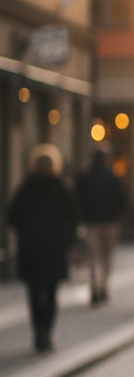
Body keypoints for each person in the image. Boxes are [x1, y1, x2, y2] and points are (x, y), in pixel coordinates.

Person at [8, 144, 79, 352]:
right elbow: (74, 217)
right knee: (51, 291)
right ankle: (47, 332)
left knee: (34, 291)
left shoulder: (26, 188)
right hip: (54, 247)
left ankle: (38, 332)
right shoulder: (61, 187)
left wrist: (25, 231)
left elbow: (12, 216)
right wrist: (68, 239)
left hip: (30, 246)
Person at [75, 146, 128, 305]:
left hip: (90, 222)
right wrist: (120, 215)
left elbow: (77, 199)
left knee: (93, 256)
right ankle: (104, 286)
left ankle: (95, 285)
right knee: (107, 256)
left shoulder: (84, 177)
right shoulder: (113, 176)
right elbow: (122, 198)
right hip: (109, 222)